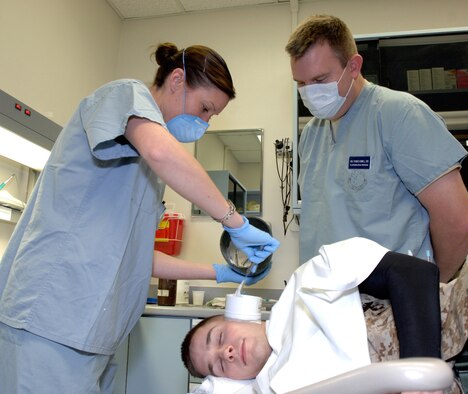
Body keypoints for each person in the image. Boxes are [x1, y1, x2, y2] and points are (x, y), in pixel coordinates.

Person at [0, 43, 279, 394]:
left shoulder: (151, 172)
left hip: (95, 335)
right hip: (50, 321)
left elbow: (138, 257)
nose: (204, 123)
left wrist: (221, 272)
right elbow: (161, 150)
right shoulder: (124, 95)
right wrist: (233, 222)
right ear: (177, 79)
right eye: (204, 108)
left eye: (212, 117)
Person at [285, 14, 468, 283]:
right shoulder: (312, 134)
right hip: (326, 301)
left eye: (319, 80)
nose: (309, 93)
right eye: (300, 84)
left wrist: (428, 288)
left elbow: (458, 220)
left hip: (389, 306)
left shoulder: (399, 115)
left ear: (353, 66)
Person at [181, 238, 468, 394]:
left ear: (237, 313)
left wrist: (419, 378)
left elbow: (412, 272)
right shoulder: (273, 388)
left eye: (219, 338)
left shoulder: (309, 282)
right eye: (218, 365)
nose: (227, 352)